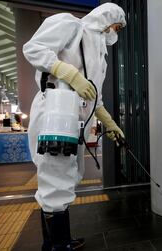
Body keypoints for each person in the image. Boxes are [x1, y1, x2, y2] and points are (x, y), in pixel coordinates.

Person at [23, 3, 126, 250]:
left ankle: (59, 239)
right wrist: (68, 73)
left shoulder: (100, 55)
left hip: (76, 121)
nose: (116, 32)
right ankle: (56, 246)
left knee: (66, 177)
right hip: (56, 112)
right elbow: (33, 48)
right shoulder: (70, 25)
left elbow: (94, 96)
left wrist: (108, 122)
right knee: (55, 178)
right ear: (107, 18)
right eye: (116, 26)